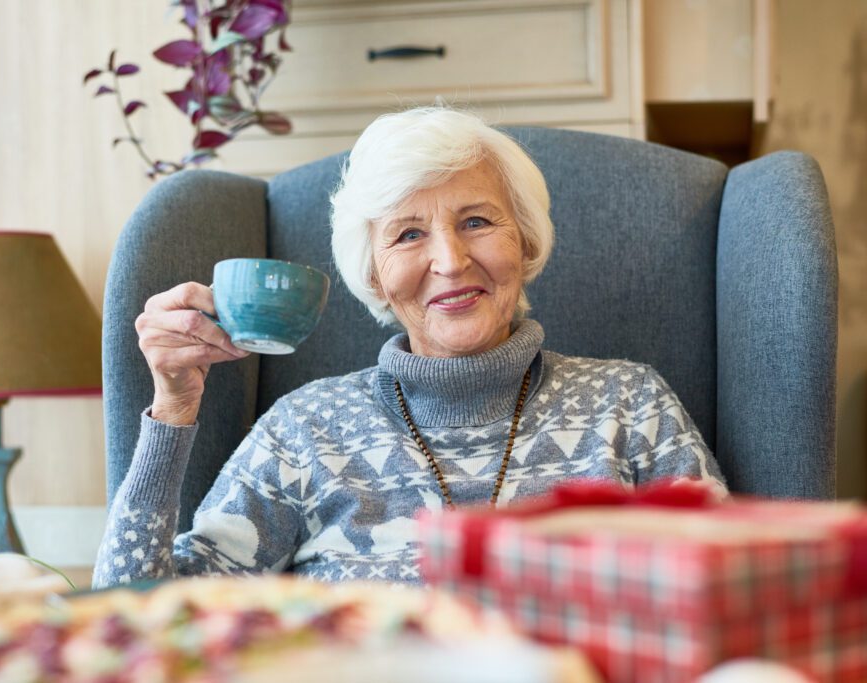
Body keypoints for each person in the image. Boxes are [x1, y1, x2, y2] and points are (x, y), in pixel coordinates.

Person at [93, 107, 727, 588]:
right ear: (373, 275)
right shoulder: (305, 430)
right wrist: (173, 407)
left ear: (526, 243)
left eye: (477, 221)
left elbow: (732, 588)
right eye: (408, 234)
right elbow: (133, 624)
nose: (450, 261)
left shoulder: (629, 403)